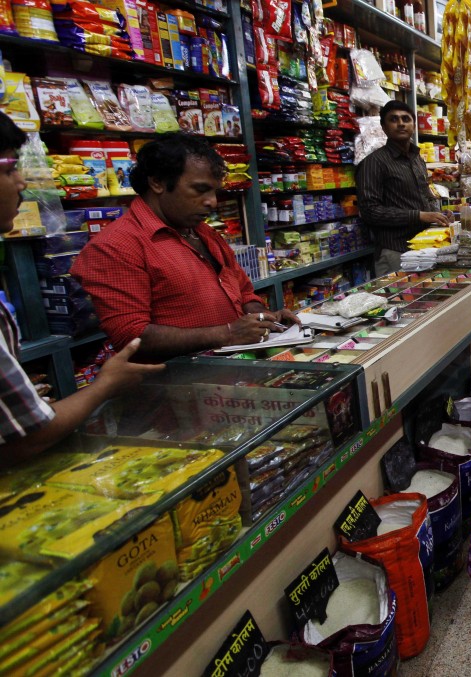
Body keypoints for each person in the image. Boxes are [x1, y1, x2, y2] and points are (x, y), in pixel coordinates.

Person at [0, 111, 161, 465]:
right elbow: (25, 439)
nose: (22, 183)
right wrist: (105, 385)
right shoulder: (114, 244)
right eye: (10, 169)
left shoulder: (201, 235)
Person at [72, 134, 297, 361]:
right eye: (200, 190)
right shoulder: (116, 246)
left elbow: (243, 292)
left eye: (215, 191)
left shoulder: (203, 232)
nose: (212, 202)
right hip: (176, 385)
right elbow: (131, 336)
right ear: (157, 182)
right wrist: (227, 333)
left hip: (230, 373)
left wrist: (265, 319)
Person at [356, 100, 450, 273]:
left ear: (413, 125)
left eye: (406, 119)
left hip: (423, 248)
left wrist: (437, 214)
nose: (401, 123)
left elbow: (422, 196)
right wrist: (419, 216)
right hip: (395, 251)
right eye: (394, 119)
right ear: (384, 127)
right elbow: (370, 211)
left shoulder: (417, 159)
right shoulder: (374, 163)